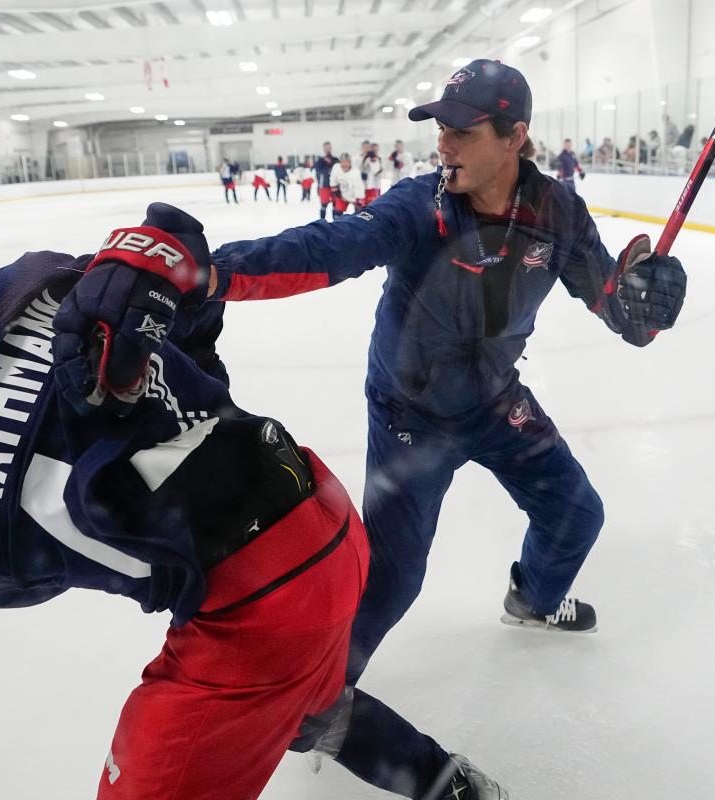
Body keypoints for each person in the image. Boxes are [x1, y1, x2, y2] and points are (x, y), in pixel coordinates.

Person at [0, 213, 507, 800]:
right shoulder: (30, 281)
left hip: (257, 602)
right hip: (318, 509)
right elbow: (185, 332)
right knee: (304, 697)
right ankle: (446, 782)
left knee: (227, 720)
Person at [206, 59, 688, 701]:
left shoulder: (558, 214)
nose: (444, 142)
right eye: (442, 126)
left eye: (463, 130)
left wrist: (641, 301)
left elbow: (614, 306)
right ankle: (315, 695)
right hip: (411, 415)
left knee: (576, 513)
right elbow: (327, 248)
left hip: (494, 400)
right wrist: (206, 273)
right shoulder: (422, 208)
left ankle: (534, 599)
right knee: (393, 577)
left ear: (515, 137)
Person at [328, 153, 365, 217]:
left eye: (347, 162)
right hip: (342, 195)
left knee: (359, 216)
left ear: (350, 163)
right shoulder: (336, 168)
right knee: (337, 215)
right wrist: (335, 190)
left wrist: (359, 200)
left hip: (354, 196)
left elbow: (359, 187)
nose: (345, 164)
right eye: (343, 162)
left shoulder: (355, 172)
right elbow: (333, 180)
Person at [315, 141, 341, 220]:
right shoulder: (320, 160)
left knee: (335, 205)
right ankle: (321, 224)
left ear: (331, 148)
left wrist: (331, 163)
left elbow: (338, 170)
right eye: (325, 147)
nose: (327, 149)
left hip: (334, 186)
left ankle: (335, 223)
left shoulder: (335, 159)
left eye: (328, 147)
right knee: (323, 205)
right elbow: (318, 172)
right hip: (324, 185)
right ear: (323, 148)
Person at [361, 142, 383, 207]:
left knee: (372, 206)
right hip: (362, 187)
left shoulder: (375, 158)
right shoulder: (359, 158)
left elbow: (376, 171)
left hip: (373, 186)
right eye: (365, 147)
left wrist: (373, 161)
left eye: (368, 147)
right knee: (361, 208)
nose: (366, 149)